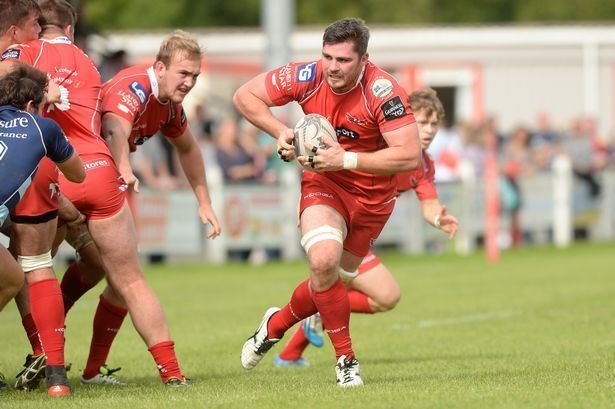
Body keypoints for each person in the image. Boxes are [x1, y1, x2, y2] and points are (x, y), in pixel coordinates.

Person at [233, 18, 421, 387]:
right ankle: (346, 360)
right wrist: (282, 132)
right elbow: (244, 96)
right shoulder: (307, 75)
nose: (332, 67)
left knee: (333, 278)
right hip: (324, 182)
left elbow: (410, 156)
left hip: (372, 198)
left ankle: (277, 323)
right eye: (327, 57)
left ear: (364, 59)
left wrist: (346, 158)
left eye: (343, 60)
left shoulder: (384, 92)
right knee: (323, 261)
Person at [273, 88, 459, 366]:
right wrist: (294, 148)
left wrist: (437, 218)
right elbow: (331, 153)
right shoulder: (376, 145)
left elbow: (429, 201)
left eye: (434, 124)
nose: (429, 130)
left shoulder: (423, 164)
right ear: (405, 122)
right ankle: (297, 327)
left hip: (361, 235)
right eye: (421, 123)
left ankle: (290, 353)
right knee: (338, 288)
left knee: (386, 297)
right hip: (337, 224)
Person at [84, 29, 221, 385]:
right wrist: (125, 167)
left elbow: (188, 150)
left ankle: (83, 371)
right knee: (123, 279)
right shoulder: (135, 86)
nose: (190, 82)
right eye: (183, 74)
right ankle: (171, 375)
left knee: (115, 281)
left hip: (100, 183)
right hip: (75, 179)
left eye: (195, 75)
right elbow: (114, 128)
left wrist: (204, 202)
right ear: (160, 67)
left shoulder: (170, 106)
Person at [0, 63, 85, 396]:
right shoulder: (42, 127)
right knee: (35, 267)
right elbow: (78, 175)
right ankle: (56, 379)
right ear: (32, 105)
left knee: (10, 277)